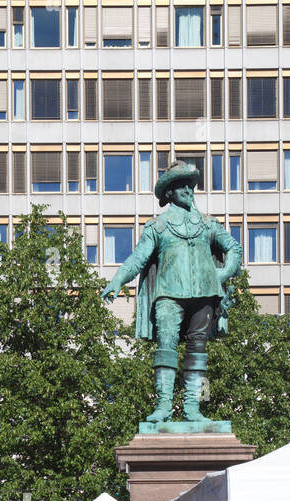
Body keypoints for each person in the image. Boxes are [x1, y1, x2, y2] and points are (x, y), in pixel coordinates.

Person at [101, 161, 242, 428]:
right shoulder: (158, 227)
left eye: (191, 185)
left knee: (197, 352)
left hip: (204, 294)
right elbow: (137, 260)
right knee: (165, 348)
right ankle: (163, 407)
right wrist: (117, 281)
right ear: (170, 192)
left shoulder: (208, 224)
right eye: (182, 185)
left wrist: (221, 275)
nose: (189, 190)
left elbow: (234, 248)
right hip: (168, 295)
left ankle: (192, 407)